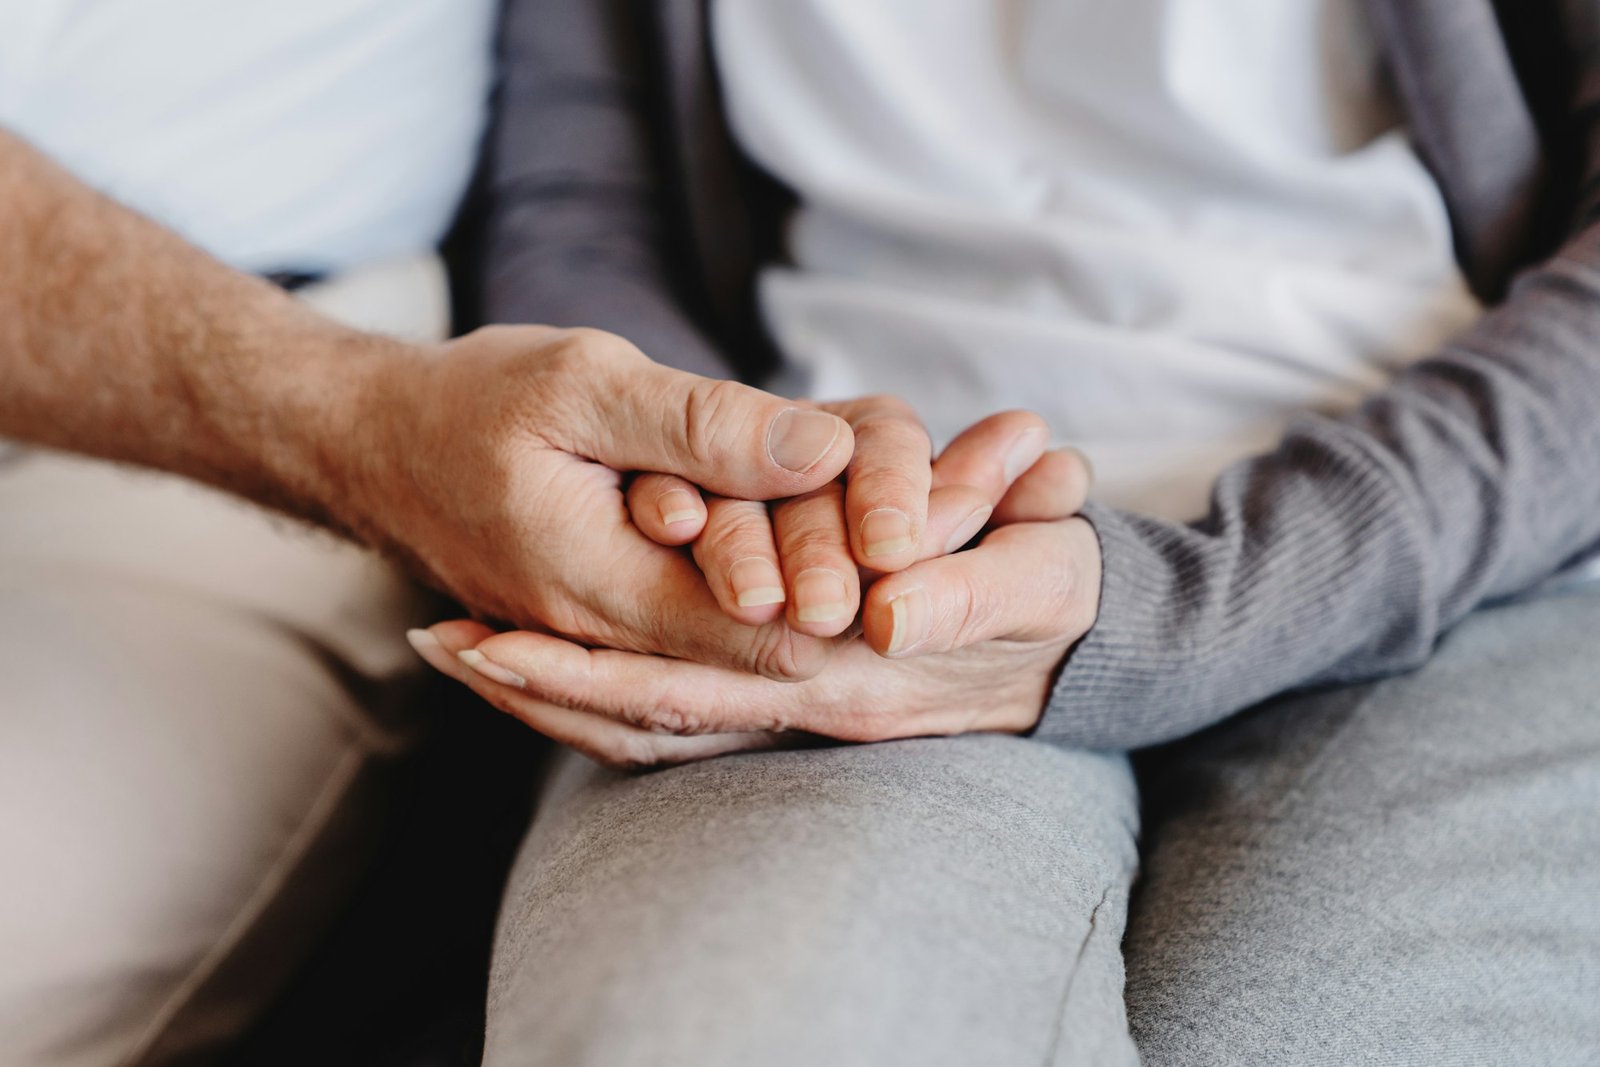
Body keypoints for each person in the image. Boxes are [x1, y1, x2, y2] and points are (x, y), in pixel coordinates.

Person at [409, 0, 1600, 1064]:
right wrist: (720, 481)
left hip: (1450, 549)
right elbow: (584, 213)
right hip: (832, 582)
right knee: (731, 1025)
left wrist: (1190, 603)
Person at [0, 2, 1049, 1061]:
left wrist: (695, 450)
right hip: (299, 393)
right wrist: (365, 424)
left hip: (257, 363)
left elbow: (588, 193)